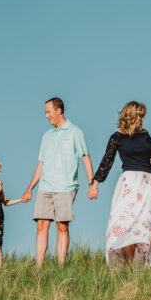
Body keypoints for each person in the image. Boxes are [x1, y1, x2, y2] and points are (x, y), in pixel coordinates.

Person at [89, 101, 151, 267]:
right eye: (140, 116)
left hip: (147, 183)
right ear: (131, 116)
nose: (142, 120)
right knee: (126, 224)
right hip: (129, 184)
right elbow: (107, 160)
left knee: (145, 225)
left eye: (143, 116)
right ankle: (127, 265)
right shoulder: (117, 137)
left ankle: (140, 267)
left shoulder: (145, 135)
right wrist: (95, 183)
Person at [21, 97, 93, 266]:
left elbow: (85, 158)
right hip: (45, 187)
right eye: (45, 112)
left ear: (58, 110)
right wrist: (29, 188)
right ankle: (39, 267)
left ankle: (60, 266)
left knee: (62, 226)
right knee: (41, 225)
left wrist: (92, 184)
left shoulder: (75, 132)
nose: (46, 116)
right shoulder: (47, 136)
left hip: (65, 187)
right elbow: (41, 164)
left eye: (48, 111)